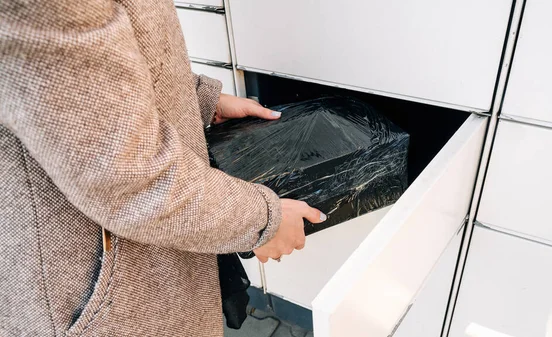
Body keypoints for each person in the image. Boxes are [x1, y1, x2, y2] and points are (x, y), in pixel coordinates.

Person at [0, 1, 325, 336]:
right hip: (102, 300)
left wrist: (198, 100)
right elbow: (128, 176)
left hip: (144, 267)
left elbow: (100, 59)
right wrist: (262, 220)